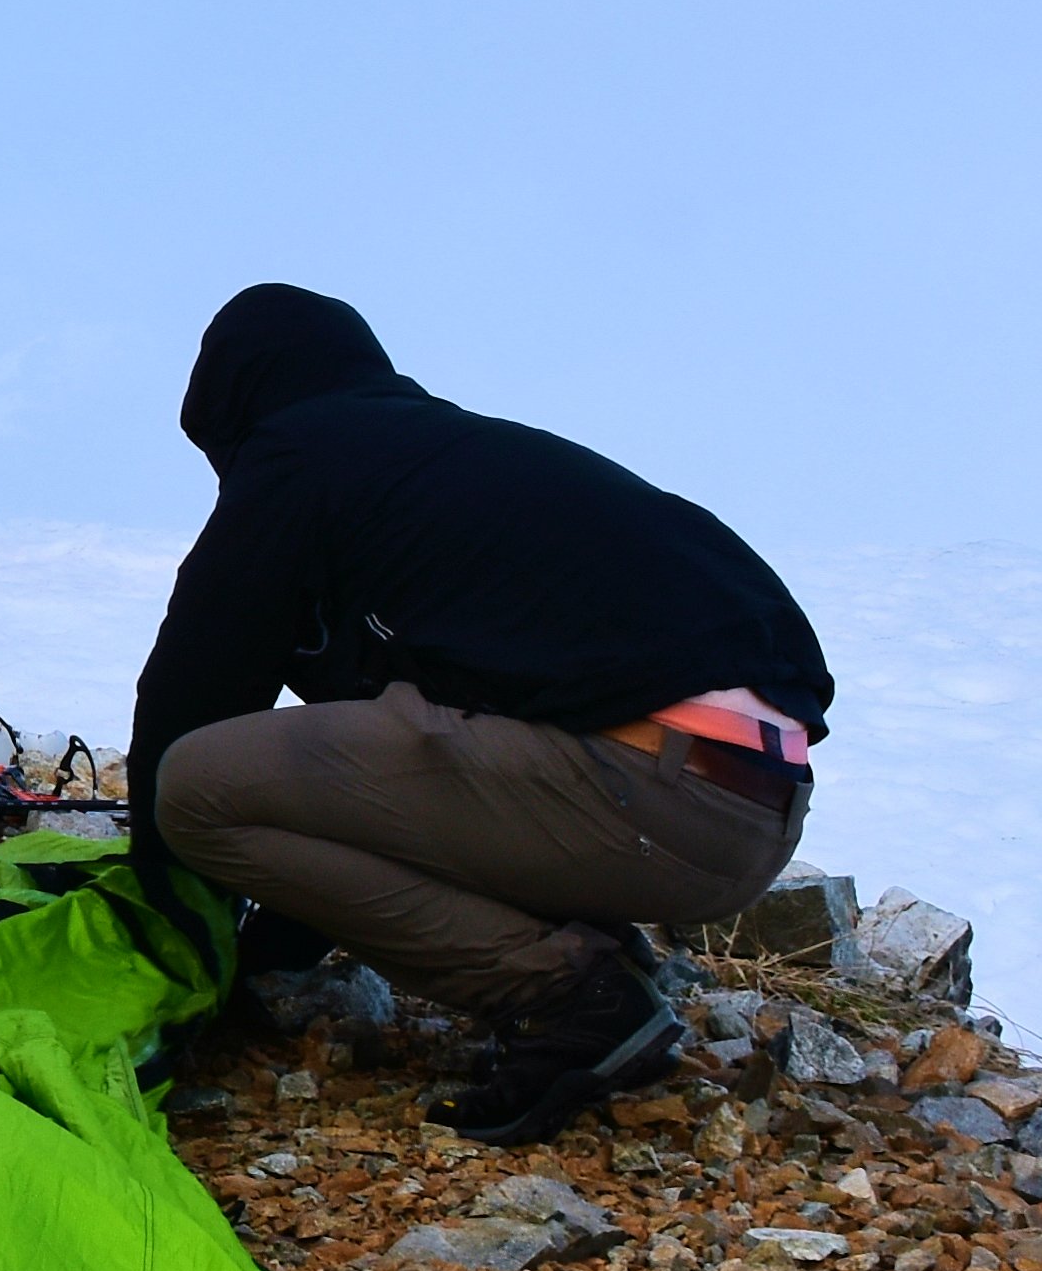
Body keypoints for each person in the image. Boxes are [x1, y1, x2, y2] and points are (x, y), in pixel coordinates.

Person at [128, 285, 832, 1140]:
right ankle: (588, 948)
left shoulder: (302, 450)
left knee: (196, 787)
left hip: (646, 790)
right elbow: (373, 802)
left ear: (235, 400)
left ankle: (568, 994)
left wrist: (164, 911)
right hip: (752, 812)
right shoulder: (449, 470)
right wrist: (281, 943)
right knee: (402, 733)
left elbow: (190, 692)